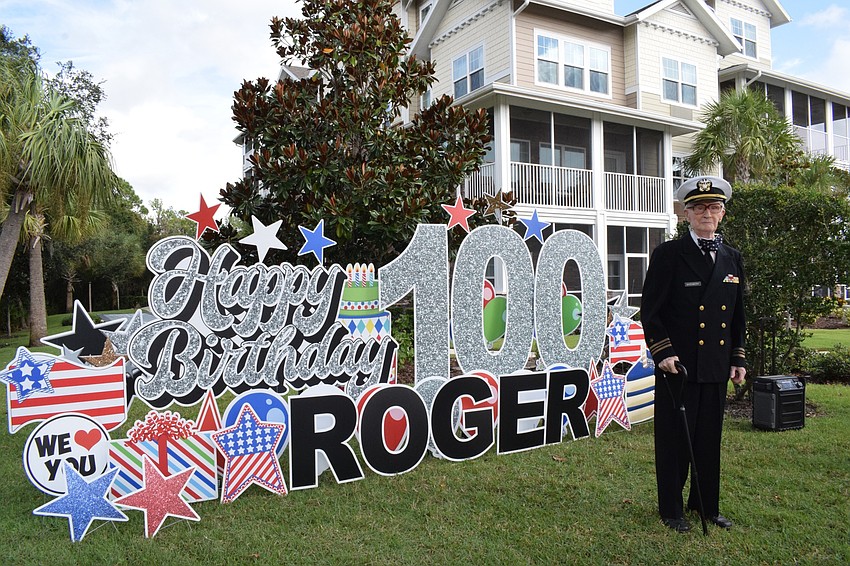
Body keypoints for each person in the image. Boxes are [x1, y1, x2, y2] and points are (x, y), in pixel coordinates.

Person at [641, 176, 747, 533]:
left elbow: (737, 315)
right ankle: (671, 510)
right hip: (679, 367)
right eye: (699, 207)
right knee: (674, 442)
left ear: (722, 214)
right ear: (686, 214)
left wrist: (738, 357)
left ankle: (706, 506)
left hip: (716, 366)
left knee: (708, 441)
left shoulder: (732, 257)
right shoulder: (669, 255)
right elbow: (651, 312)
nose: (707, 213)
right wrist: (663, 352)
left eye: (714, 207)